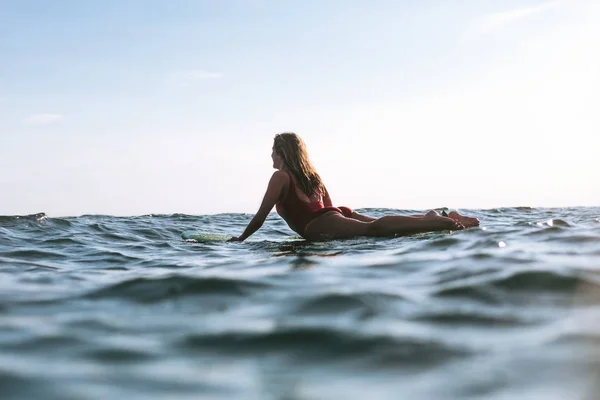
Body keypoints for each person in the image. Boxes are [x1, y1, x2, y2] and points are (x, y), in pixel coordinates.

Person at [229, 133, 479, 242]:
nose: (270, 157)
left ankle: (437, 222)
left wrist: (240, 239)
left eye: (272, 151)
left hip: (319, 224)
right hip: (333, 216)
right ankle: (431, 218)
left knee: (374, 230)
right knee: (380, 227)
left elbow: (261, 216)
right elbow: (329, 207)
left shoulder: (281, 177)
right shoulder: (312, 176)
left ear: (281, 152)